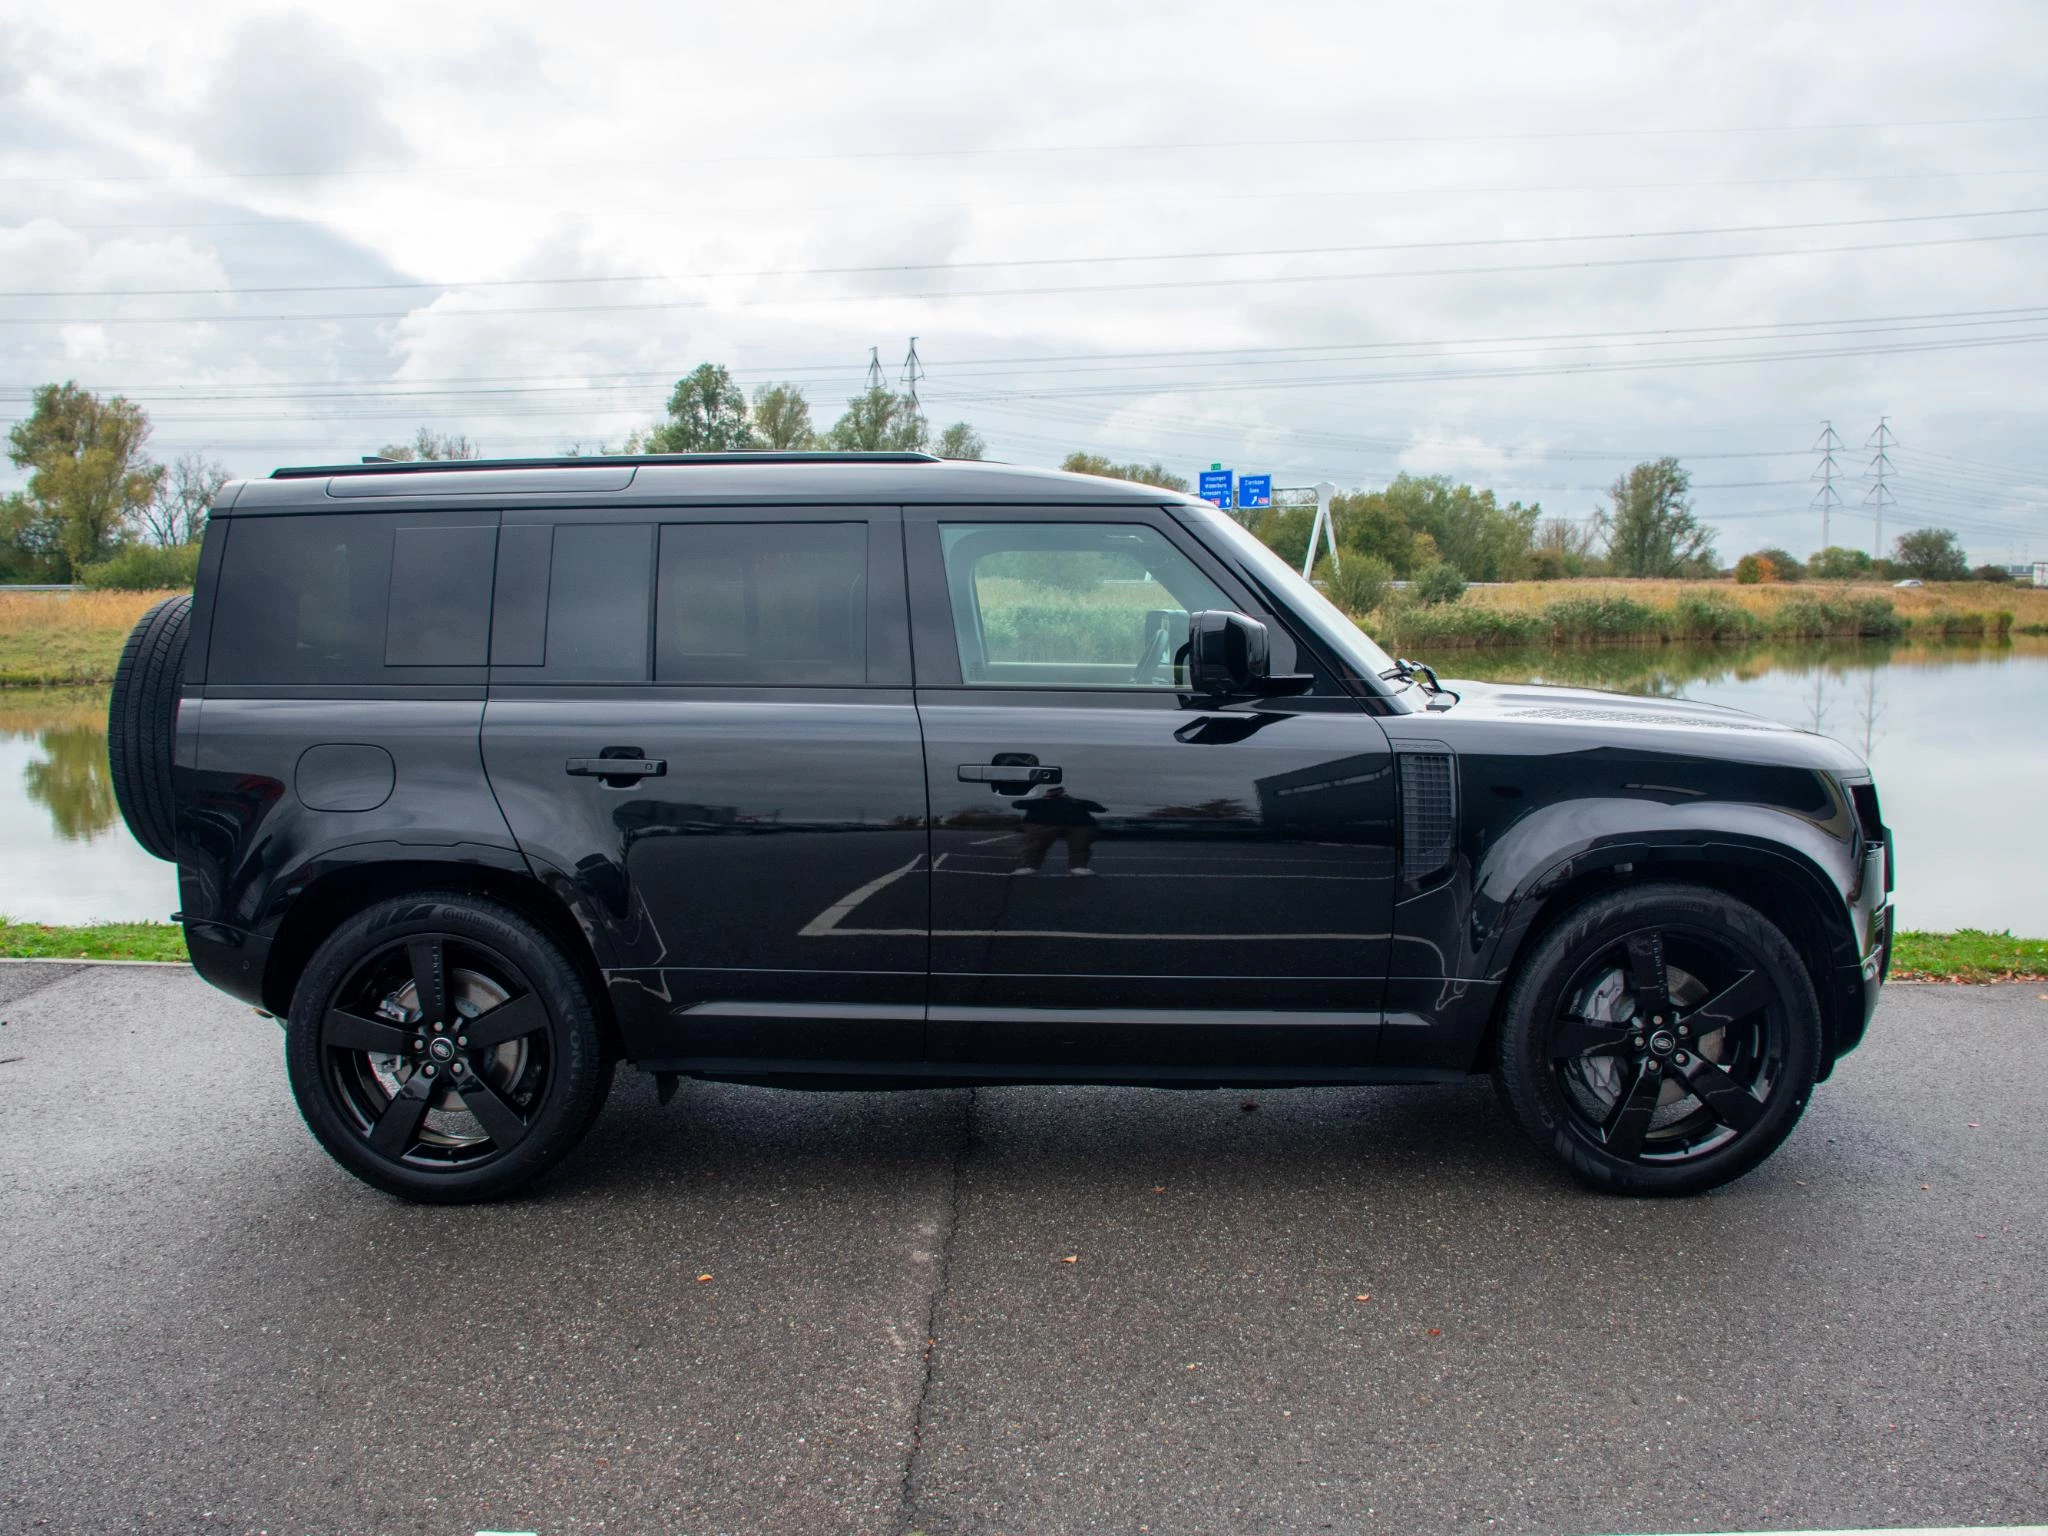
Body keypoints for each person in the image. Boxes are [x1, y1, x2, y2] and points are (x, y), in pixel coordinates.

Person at [1012, 785, 1106, 875]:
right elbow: (1017, 804)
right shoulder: (1040, 802)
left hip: (1077, 826)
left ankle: (1079, 867)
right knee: (1036, 845)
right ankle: (1029, 866)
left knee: (1079, 845)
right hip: (1047, 825)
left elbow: (1100, 809)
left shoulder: (1076, 802)